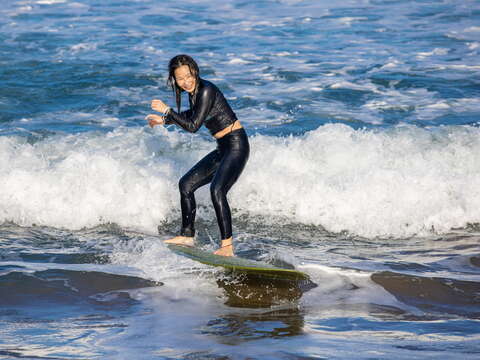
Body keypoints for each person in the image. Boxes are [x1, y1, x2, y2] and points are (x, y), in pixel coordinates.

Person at [146, 54, 249, 257]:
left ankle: (227, 246)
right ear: (174, 80)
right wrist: (163, 121)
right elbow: (192, 116)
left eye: (188, 76)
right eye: (180, 79)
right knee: (186, 185)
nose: (186, 82)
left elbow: (193, 126)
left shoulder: (206, 90)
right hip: (223, 147)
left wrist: (167, 111)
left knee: (217, 190)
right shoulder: (194, 94)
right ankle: (187, 235)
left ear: (195, 71)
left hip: (237, 145)